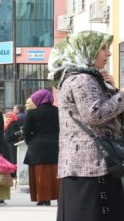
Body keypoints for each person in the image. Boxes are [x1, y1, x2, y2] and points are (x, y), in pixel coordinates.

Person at [48, 30, 124, 220]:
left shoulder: (87, 77)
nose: (108, 53)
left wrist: (115, 91)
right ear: (86, 50)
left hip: (91, 164)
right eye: (102, 48)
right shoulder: (82, 79)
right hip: (90, 165)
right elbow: (95, 114)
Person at [22, 89, 60, 206]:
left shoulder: (33, 113)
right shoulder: (59, 111)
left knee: (41, 173)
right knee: (56, 172)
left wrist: (30, 141)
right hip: (56, 145)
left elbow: (26, 131)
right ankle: (60, 196)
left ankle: (43, 198)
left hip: (37, 146)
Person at [3, 111, 20, 177]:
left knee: (13, 159)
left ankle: (13, 173)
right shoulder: (8, 124)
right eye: (7, 117)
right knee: (9, 158)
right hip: (8, 144)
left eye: (10, 117)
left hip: (12, 144)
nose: (8, 119)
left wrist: (6, 138)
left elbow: (14, 134)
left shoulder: (14, 124)